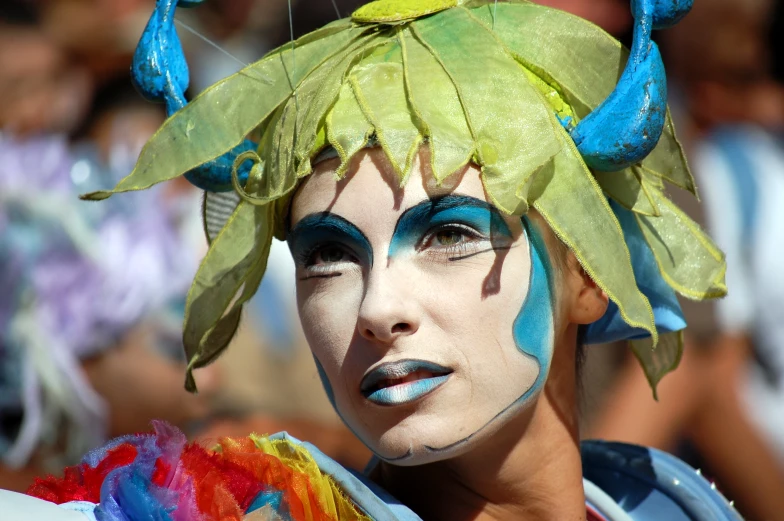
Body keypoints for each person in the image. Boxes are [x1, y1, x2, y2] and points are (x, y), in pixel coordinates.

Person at [0, 0, 740, 519]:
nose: (379, 306)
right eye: (326, 253)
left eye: (450, 233)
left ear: (587, 275)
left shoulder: (664, 505)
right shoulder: (256, 510)